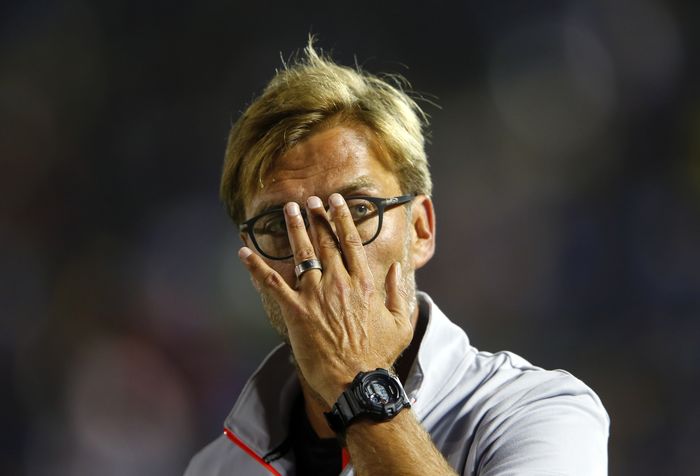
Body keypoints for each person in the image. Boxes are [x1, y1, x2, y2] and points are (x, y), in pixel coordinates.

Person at [185, 41, 609, 476]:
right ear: (249, 259)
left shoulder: (538, 414)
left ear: (420, 229)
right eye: (279, 225)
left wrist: (357, 382)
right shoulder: (215, 469)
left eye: (358, 210)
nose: (320, 254)